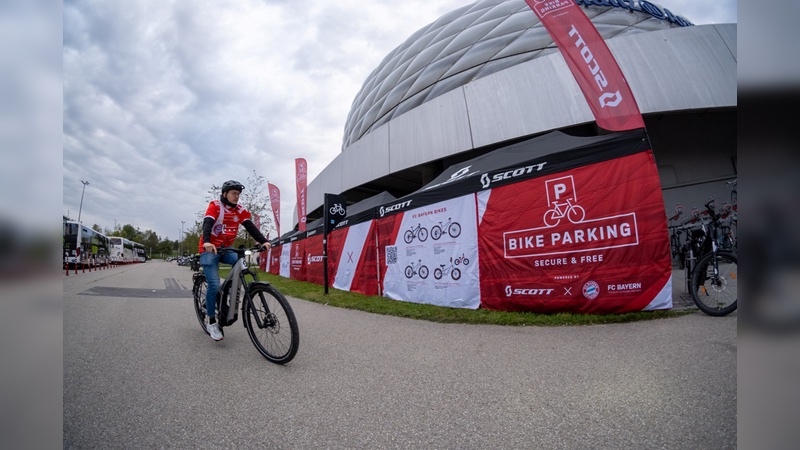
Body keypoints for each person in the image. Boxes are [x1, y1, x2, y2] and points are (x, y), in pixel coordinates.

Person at [198, 180, 271, 341]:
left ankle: (226, 291)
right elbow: (207, 223)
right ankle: (212, 322)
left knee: (240, 264)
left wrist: (262, 241)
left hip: (226, 248)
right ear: (225, 194)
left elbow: (250, 226)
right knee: (214, 284)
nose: (236, 197)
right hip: (209, 249)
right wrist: (207, 241)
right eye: (233, 193)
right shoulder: (215, 206)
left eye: (238, 194)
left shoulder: (239, 210)